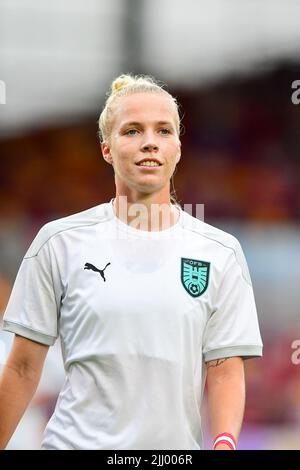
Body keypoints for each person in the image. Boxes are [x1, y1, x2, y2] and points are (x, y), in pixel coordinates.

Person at [0, 74, 263, 450]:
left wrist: (223, 443)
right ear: (107, 148)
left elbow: (223, 368)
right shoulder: (59, 243)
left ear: (178, 148)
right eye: (133, 131)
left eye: (163, 131)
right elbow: (23, 366)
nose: (150, 143)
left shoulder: (219, 252)